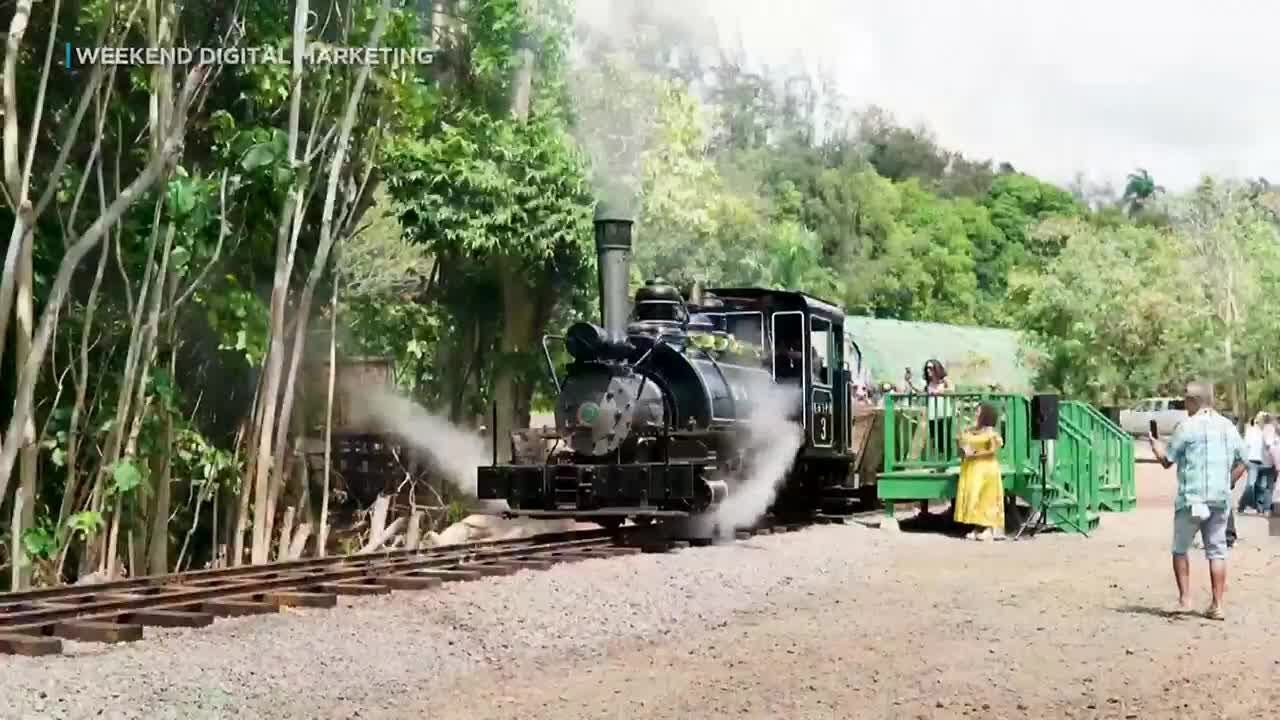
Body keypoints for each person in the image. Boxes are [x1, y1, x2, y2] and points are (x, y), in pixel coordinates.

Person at [1149, 381, 1246, 620]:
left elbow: (1167, 460)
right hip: (1219, 499)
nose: (1184, 405)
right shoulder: (1228, 427)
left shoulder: (1186, 427)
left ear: (1193, 401)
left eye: (1185, 400)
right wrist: (1227, 482)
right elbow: (1244, 460)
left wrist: (1156, 445)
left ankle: (1185, 600)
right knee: (1217, 551)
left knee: (1180, 548)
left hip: (1191, 498)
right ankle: (1218, 604)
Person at [954, 402, 1005, 541]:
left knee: (986, 497)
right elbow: (960, 441)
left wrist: (974, 453)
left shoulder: (991, 432)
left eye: (978, 411)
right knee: (974, 496)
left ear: (985, 415)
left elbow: (992, 449)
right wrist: (962, 448)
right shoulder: (971, 430)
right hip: (972, 469)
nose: (976, 413)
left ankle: (989, 528)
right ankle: (977, 527)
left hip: (986, 469)